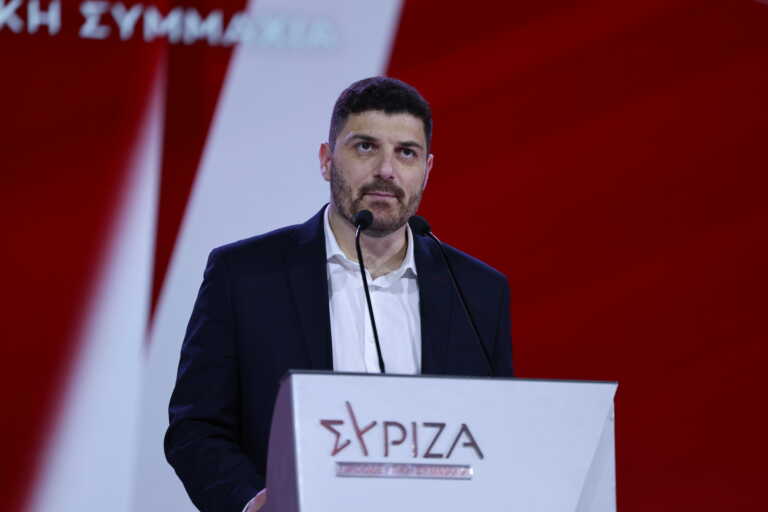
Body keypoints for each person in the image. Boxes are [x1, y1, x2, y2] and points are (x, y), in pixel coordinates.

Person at [164, 77, 513, 512]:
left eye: (406, 152)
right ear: (327, 160)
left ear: (426, 169)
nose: (386, 170)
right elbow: (196, 427)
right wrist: (251, 502)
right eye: (365, 147)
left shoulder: (478, 292)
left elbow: (498, 432)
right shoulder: (244, 276)